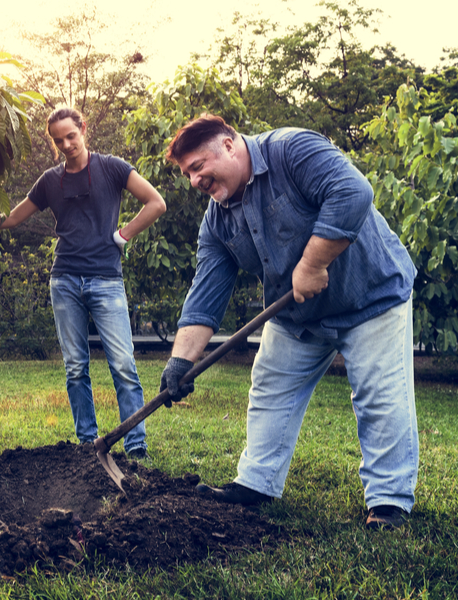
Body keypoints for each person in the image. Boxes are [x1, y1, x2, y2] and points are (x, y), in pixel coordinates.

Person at [158, 114, 418, 529]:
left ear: (228, 145)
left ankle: (389, 502)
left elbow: (353, 191)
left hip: (370, 295)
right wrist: (181, 361)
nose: (194, 181)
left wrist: (313, 262)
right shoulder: (218, 219)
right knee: (271, 389)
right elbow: (206, 291)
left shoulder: (291, 149)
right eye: (188, 173)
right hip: (297, 314)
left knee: (379, 396)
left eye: (198, 167)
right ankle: (256, 483)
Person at [0, 106, 166, 459]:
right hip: (64, 280)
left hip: (106, 280)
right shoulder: (51, 180)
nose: (66, 144)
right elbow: (14, 218)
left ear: (83, 129)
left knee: (123, 365)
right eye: (58, 140)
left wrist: (123, 235)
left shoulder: (112, 167)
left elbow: (156, 203)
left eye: (71, 136)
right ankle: (87, 444)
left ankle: (136, 445)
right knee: (76, 367)